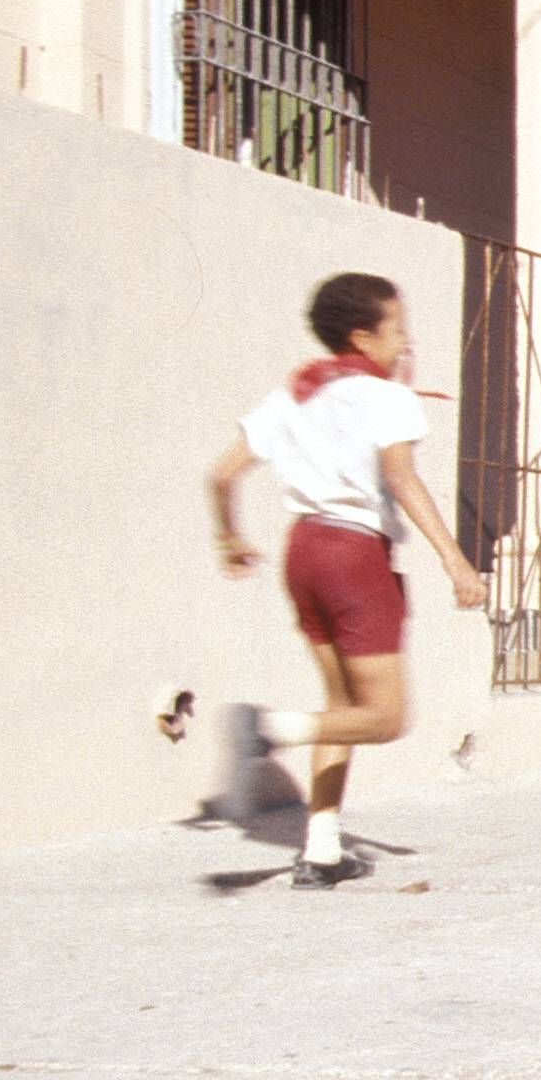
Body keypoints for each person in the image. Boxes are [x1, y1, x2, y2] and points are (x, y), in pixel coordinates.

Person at [209, 271, 490, 886]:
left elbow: (223, 474)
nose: (406, 344)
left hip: (303, 551)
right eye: (399, 330)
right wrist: (455, 560)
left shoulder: (299, 390)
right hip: (355, 557)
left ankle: (322, 848)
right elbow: (402, 479)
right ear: (362, 335)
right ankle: (266, 729)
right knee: (387, 717)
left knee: (341, 707)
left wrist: (230, 538)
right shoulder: (387, 397)